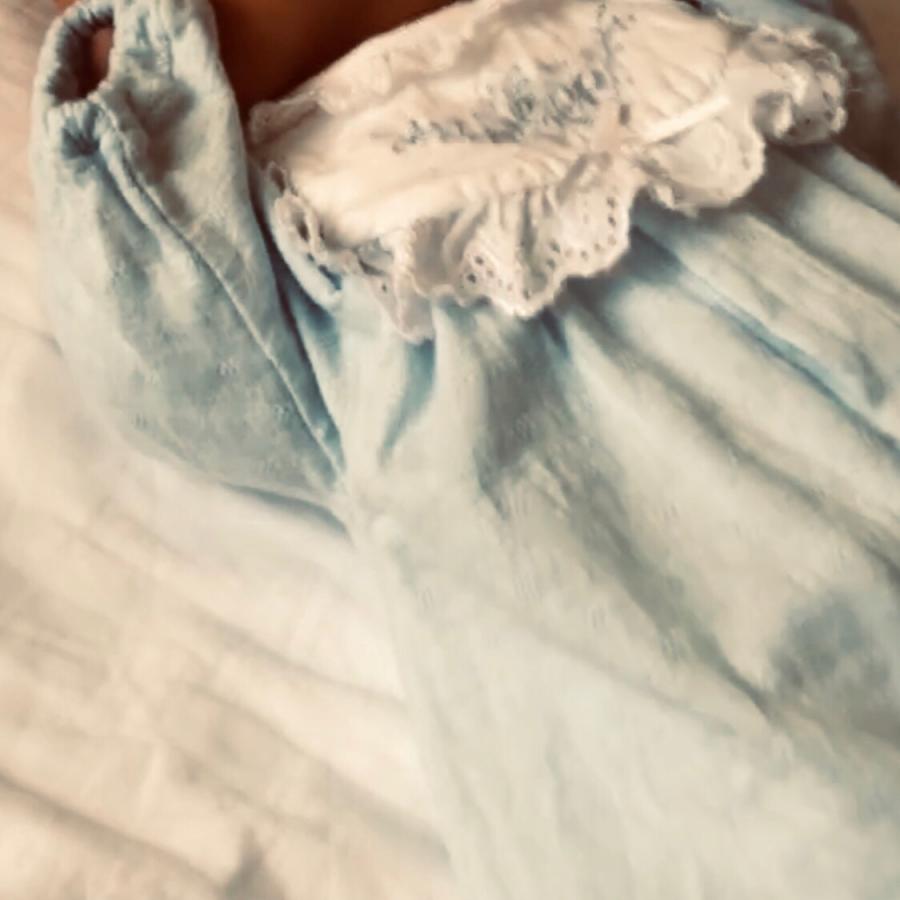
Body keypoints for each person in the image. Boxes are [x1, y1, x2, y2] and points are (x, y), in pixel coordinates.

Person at [31, 1, 900, 897]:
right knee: (807, 829)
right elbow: (171, 364)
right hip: (689, 631)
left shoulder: (661, 28)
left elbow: (844, 92)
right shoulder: (308, 246)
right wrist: (151, 79)